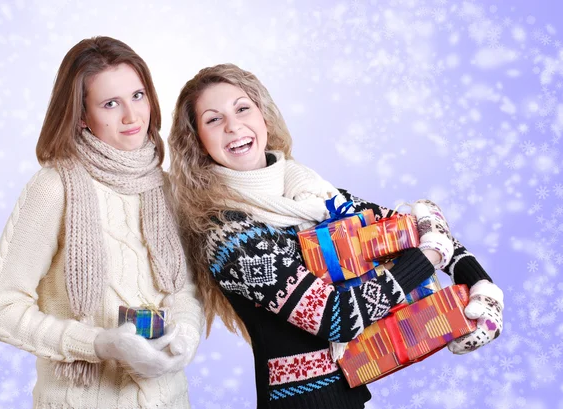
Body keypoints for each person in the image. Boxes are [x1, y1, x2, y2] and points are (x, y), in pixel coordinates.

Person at [167, 63, 504, 409]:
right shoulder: (228, 236)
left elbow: (417, 228)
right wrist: (428, 258)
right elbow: (337, 317)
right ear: (198, 142)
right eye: (213, 119)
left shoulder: (316, 196)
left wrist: (482, 286)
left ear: (263, 117)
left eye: (242, 108)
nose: (233, 126)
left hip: (350, 395)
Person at [0, 36, 204, 409]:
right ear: (82, 115)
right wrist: (100, 344)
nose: (132, 116)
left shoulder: (164, 186)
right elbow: (2, 312)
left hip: (169, 400)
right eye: (110, 103)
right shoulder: (54, 189)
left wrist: (184, 336)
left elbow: (182, 291)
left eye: (137, 96)